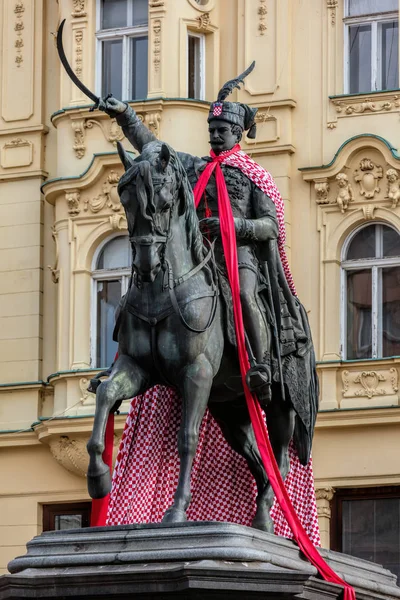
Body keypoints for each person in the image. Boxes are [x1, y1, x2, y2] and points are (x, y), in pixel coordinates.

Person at [98, 63, 318, 460]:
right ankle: (125, 357)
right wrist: (125, 115)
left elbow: (270, 225)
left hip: (240, 256)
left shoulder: (252, 176)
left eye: (223, 131)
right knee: (144, 287)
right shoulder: (195, 166)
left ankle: (262, 365)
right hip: (197, 255)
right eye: (212, 130)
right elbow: (151, 145)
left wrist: (235, 225)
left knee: (244, 293)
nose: (216, 135)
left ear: (237, 133)